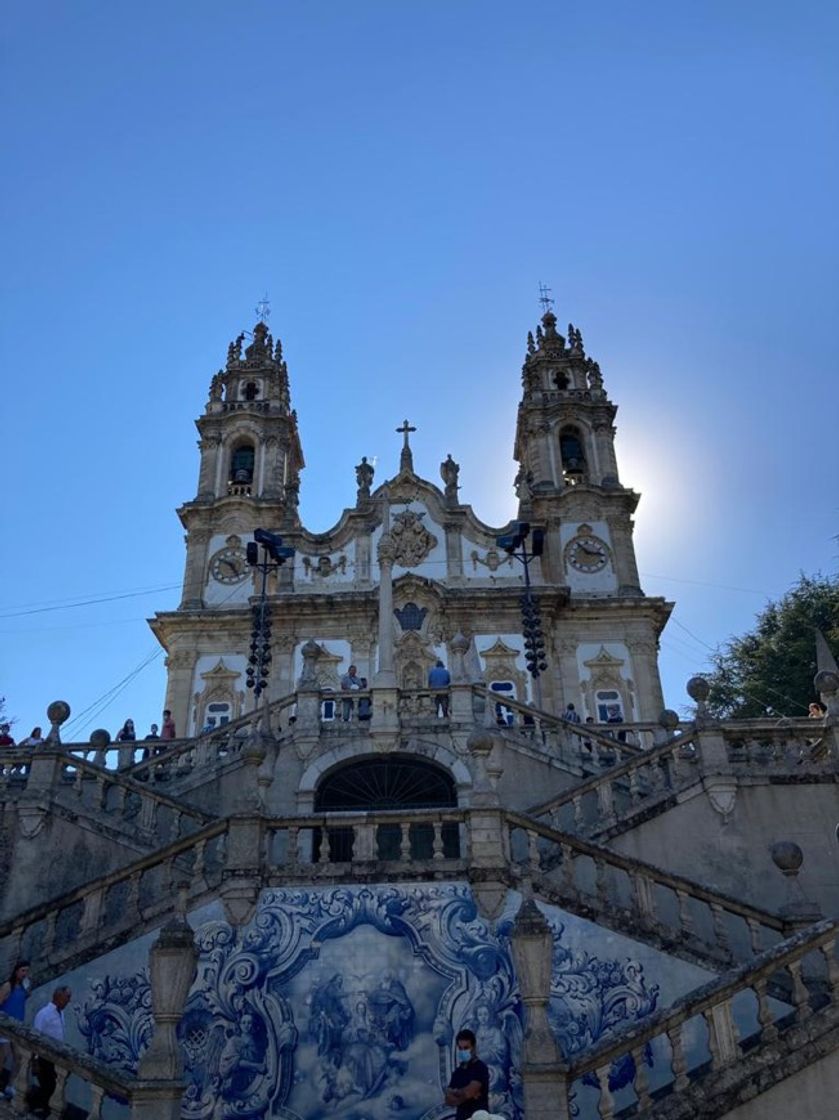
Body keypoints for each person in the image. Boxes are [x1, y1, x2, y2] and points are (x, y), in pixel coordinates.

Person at [31, 986, 71, 1117]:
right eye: (67, 998)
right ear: (58, 997)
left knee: (52, 1087)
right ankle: (40, 1109)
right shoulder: (44, 1014)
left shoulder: (61, 1012)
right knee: (48, 1086)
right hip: (44, 1057)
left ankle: (43, 1110)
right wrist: (35, 1060)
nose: (68, 1001)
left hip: (56, 1057)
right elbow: (35, 1036)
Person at [0, 960, 31, 1099]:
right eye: (23, 970)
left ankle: (10, 1085)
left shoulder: (24, 986)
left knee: (18, 1058)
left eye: (26, 971)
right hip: (5, 1027)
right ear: (16, 971)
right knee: (4, 1056)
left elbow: (23, 999)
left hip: (17, 1027)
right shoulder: (7, 986)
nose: (25, 973)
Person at [445, 1028, 489, 1119]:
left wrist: (456, 1092)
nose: (463, 1051)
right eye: (460, 1048)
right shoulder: (458, 1072)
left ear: (474, 1047)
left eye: (466, 1048)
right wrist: (464, 1094)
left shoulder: (480, 1068)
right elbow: (448, 1100)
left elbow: (469, 1092)